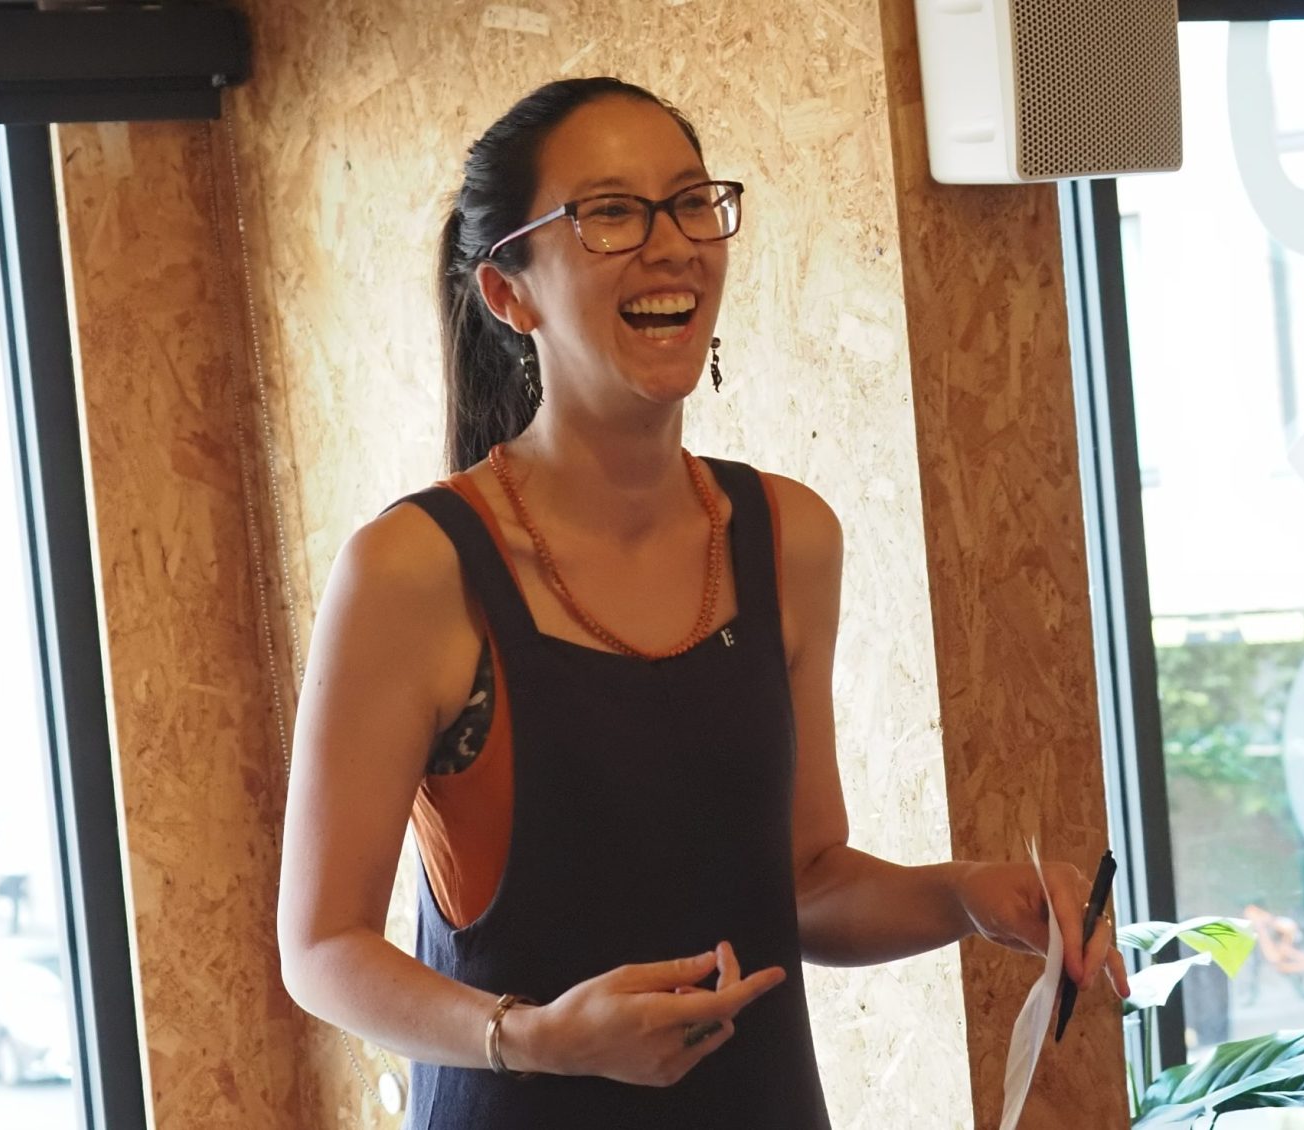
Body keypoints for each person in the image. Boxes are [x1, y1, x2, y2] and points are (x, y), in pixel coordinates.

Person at [277, 76, 1129, 1129]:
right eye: (610, 214)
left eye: (689, 202)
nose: (671, 243)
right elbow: (320, 950)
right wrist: (531, 1036)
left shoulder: (787, 535)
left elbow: (802, 880)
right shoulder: (413, 567)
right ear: (510, 293)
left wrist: (960, 895)